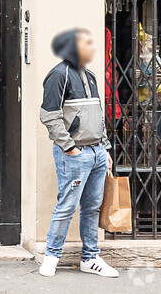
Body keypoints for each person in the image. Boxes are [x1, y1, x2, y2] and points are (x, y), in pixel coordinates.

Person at [38, 28, 119, 279]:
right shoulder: (58, 75)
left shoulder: (90, 76)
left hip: (95, 152)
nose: (91, 48)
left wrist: (104, 148)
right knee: (67, 205)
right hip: (75, 154)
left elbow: (97, 116)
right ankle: (51, 256)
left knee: (92, 207)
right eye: (85, 44)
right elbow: (49, 115)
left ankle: (90, 258)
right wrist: (69, 147)